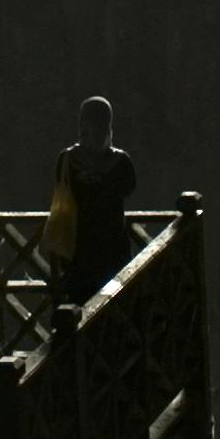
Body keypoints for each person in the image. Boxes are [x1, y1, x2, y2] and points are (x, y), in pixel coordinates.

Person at [49, 95, 140, 307]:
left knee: (77, 309)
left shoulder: (67, 160)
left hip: (76, 249)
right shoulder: (121, 163)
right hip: (112, 247)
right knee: (115, 309)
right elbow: (128, 188)